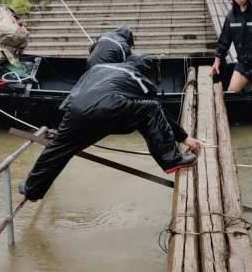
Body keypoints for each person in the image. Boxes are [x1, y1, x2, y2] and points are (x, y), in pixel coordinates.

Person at [18, 54, 200, 201]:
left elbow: (77, 91)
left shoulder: (98, 68)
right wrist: (183, 137)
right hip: (107, 110)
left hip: (75, 110)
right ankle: (171, 160)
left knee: (58, 149)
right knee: (151, 108)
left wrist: (64, 125)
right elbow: (159, 110)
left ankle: (31, 189)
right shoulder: (135, 76)